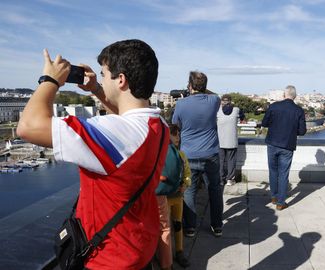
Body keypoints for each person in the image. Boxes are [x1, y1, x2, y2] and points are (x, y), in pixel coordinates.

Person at [17, 39, 170, 269]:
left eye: (104, 74)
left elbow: (28, 126)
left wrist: (49, 80)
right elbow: (127, 117)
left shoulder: (114, 132)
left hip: (108, 257)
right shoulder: (159, 125)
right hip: (139, 245)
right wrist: (97, 89)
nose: (102, 79)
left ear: (121, 80)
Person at [172, 71, 224, 237]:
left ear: (190, 85)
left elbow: (175, 125)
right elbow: (215, 94)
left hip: (189, 154)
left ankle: (191, 227)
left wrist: (188, 94)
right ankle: (217, 226)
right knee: (215, 190)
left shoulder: (181, 104)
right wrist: (199, 89)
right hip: (211, 154)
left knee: (189, 191)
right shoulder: (214, 100)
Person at [261, 85, 306, 210]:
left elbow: (264, 123)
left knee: (273, 171)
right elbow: (302, 131)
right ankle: (281, 203)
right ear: (294, 96)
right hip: (287, 145)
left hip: (272, 143)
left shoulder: (274, 106)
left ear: (284, 95)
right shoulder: (298, 110)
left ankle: (274, 196)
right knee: (283, 173)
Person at [155, 124, 191, 269]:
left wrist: (185, 184)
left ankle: (179, 251)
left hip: (177, 197)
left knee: (177, 225)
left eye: (179, 134)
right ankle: (165, 255)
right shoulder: (160, 155)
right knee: (165, 228)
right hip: (163, 198)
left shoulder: (181, 155)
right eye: (174, 134)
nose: (178, 138)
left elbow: (188, 173)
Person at [217, 94, 245, 186]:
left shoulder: (217, 111)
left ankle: (220, 179)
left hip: (220, 141)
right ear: (230, 101)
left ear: (222, 102)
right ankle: (230, 179)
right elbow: (242, 118)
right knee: (231, 160)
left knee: (220, 161)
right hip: (232, 141)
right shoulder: (236, 110)